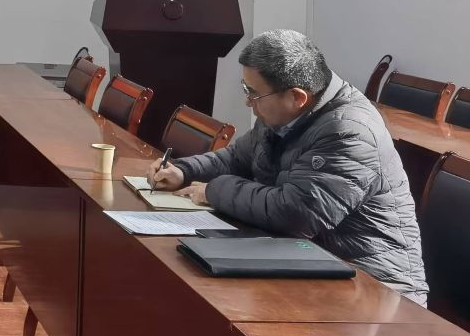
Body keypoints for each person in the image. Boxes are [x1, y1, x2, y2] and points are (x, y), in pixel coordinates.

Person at [150, 29, 428, 302]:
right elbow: (237, 158)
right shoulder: (284, 114)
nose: (248, 101)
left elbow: (296, 214)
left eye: (253, 93)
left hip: (375, 290)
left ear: (297, 97)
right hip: (312, 263)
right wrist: (183, 171)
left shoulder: (350, 131)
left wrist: (212, 191)